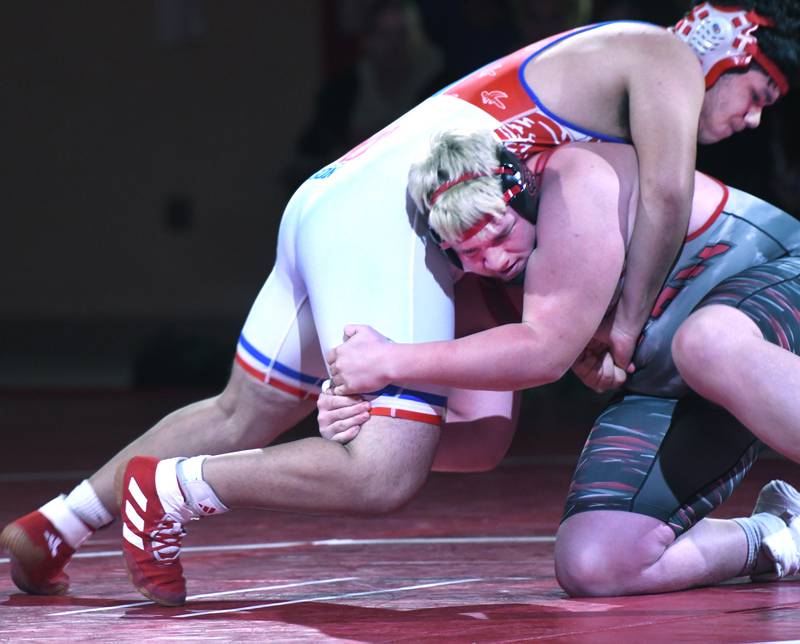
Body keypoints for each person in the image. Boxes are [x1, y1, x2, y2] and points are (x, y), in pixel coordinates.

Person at [1, 1, 797, 605]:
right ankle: (173, 488)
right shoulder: (654, 61)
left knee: (244, 410)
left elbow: (486, 436)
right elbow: (658, 195)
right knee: (382, 471)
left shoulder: (509, 231)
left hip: (339, 197)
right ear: (730, 42)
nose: (753, 117)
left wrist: (376, 396)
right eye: (758, 90)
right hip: (408, 210)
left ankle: (58, 524)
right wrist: (617, 330)